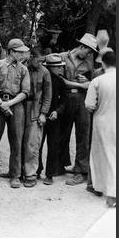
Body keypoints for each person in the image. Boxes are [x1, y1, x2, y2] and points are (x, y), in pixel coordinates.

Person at [0, 38, 31, 187]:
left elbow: (25, 92)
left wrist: (9, 104)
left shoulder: (23, 69)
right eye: (19, 52)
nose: (22, 55)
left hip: (16, 104)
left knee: (16, 140)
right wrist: (0, 103)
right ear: (11, 51)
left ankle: (15, 175)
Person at [58, 33, 97, 186]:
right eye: (87, 51)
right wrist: (80, 85)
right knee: (63, 132)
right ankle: (60, 165)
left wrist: (88, 81)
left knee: (83, 134)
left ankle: (80, 171)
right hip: (66, 99)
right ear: (81, 47)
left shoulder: (88, 61)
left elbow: (93, 81)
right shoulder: (61, 57)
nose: (88, 55)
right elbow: (60, 80)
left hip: (83, 100)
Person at [84, 50, 116, 208]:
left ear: (103, 63)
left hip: (103, 122)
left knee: (106, 156)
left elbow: (89, 105)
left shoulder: (97, 80)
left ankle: (110, 194)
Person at [21, 47, 51, 187]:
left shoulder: (44, 72)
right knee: (18, 142)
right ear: (31, 57)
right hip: (20, 108)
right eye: (38, 61)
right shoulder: (22, 68)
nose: (40, 64)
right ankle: (17, 171)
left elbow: (47, 95)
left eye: (42, 61)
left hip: (35, 110)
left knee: (32, 144)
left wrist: (43, 113)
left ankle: (31, 174)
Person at [37, 54, 67, 185]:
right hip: (40, 117)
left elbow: (64, 100)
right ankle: (36, 170)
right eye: (57, 67)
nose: (60, 70)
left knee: (53, 146)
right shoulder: (41, 79)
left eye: (60, 67)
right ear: (49, 68)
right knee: (37, 144)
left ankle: (50, 174)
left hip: (54, 118)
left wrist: (57, 111)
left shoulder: (60, 81)